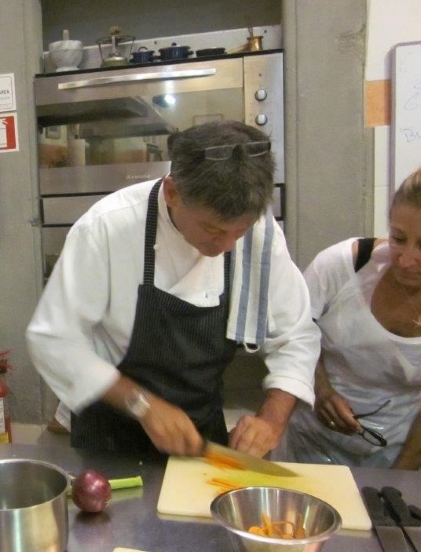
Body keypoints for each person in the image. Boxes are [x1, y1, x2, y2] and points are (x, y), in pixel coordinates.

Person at [26, 120, 319, 458]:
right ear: (172, 192)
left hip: (199, 434)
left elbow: (295, 336)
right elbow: (53, 339)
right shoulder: (107, 228)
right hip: (109, 435)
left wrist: (271, 419)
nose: (226, 246)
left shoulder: (260, 233)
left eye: (238, 233)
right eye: (212, 228)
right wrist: (143, 404)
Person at [273, 168, 421, 469]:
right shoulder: (344, 265)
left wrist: (399, 477)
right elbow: (293, 332)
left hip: (394, 451)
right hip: (308, 442)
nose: (406, 260)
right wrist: (322, 388)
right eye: (398, 238)